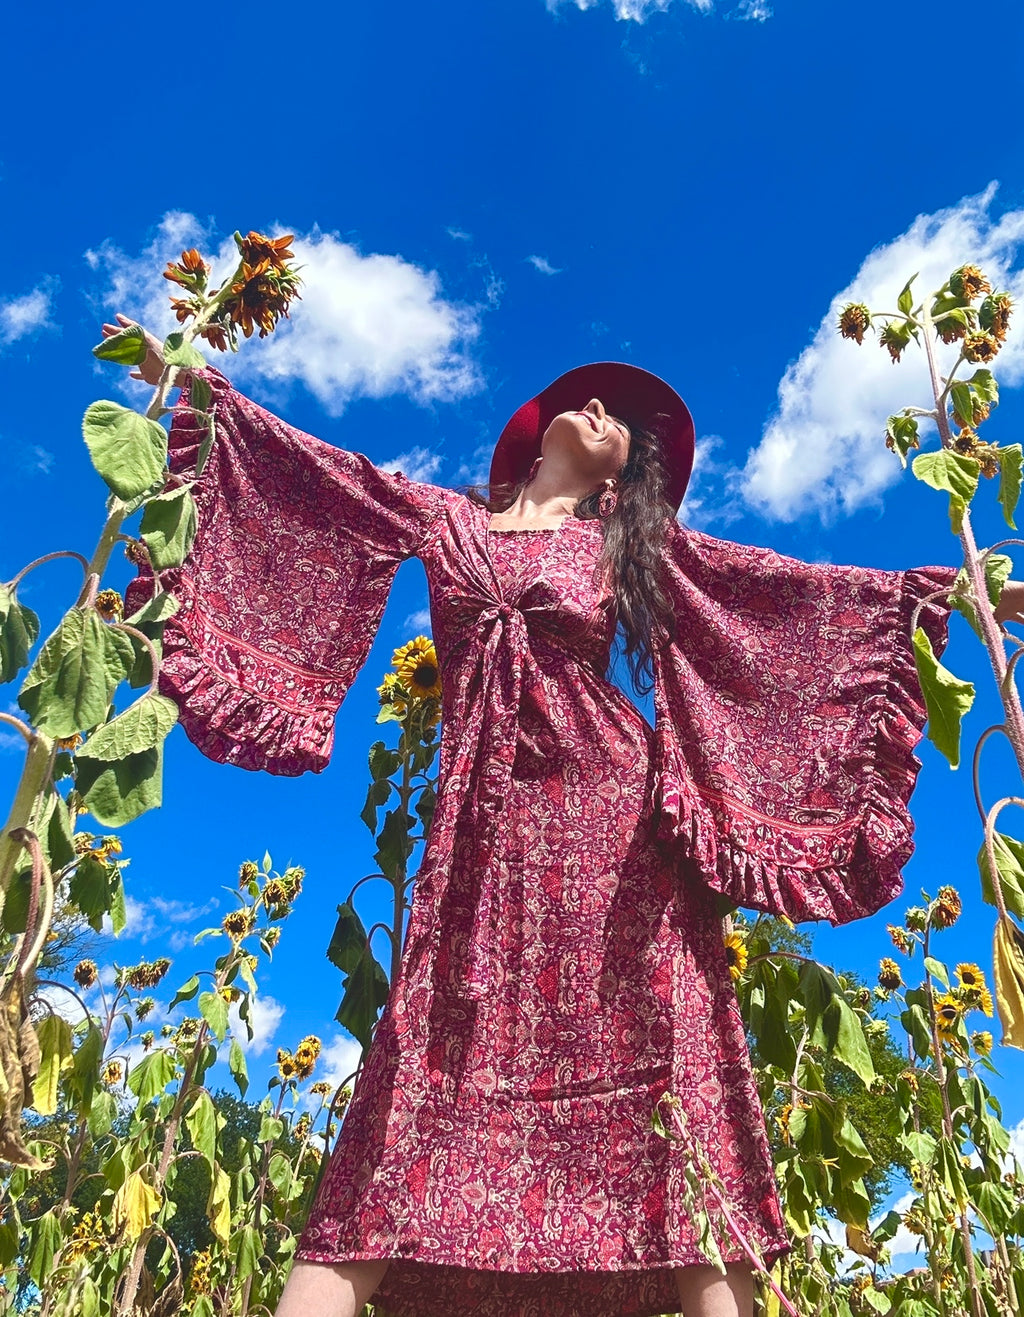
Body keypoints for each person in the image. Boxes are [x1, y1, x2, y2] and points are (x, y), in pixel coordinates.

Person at [104, 316, 1024, 1317]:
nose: (605, 408)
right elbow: (319, 480)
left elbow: (784, 596)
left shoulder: (631, 550)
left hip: (619, 837)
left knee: (660, 1068)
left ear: (619, 479)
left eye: (627, 422)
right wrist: (186, 383)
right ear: (537, 430)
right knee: (419, 1072)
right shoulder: (448, 524)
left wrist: (973, 597)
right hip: (479, 848)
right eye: (591, 399)